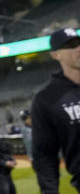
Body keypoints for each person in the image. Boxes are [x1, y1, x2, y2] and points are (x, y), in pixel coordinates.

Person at [31, 26, 80, 194]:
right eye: (70, 46)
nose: (78, 49)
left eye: (79, 43)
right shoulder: (47, 99)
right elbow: (44, 154)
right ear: (55, 55)